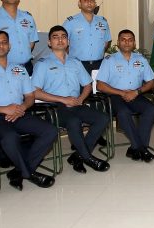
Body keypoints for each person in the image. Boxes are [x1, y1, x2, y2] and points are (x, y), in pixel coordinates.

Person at [0, 30, 57, 190]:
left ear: (9, 46)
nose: (1, 46)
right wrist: (4, 109)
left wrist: (22, 107)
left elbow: (30, 96)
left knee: (50, 130)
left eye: (4, 42)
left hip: (20, 113)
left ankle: (20, 171)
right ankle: (29, 173)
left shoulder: (19, 69)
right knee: (10, 138)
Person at [32, 26, 110, 173]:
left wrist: (81, 98)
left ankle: (78, 156)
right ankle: (88, 158)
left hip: (76, 104)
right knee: (74, 121)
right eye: (55, 37)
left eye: (63, 37)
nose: (60, 40)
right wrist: (63, 100)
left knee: (102, 118)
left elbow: (87, 84)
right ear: (49, 42)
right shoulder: (42, 64)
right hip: (54, 108)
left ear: (68, 41)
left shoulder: (75, 62)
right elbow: (35, 92)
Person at [96, 29, 154, 162]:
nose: (127, 42)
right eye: (123, 39)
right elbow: (100, 85)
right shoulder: (109, 60)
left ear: (134, 43)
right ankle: (142, 148)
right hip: (115, 96)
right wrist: (121, 93)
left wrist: (136, 92)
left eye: (130, 39)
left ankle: (136, 147)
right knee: (123, 112)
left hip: (135, 94)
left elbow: (152, 82)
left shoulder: (141, 59)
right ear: (118, 42)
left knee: (151, 109)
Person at [63, 0, 111, 75]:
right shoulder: (70, 22)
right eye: (85, 1)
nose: (89, 3)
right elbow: (63, 43)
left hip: (99, 64)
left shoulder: (103, 22)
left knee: (97, 88)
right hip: (77, 65)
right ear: (79, 4)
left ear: (95, 4)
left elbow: (106, 42)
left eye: (91, 1)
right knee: (80, 88)